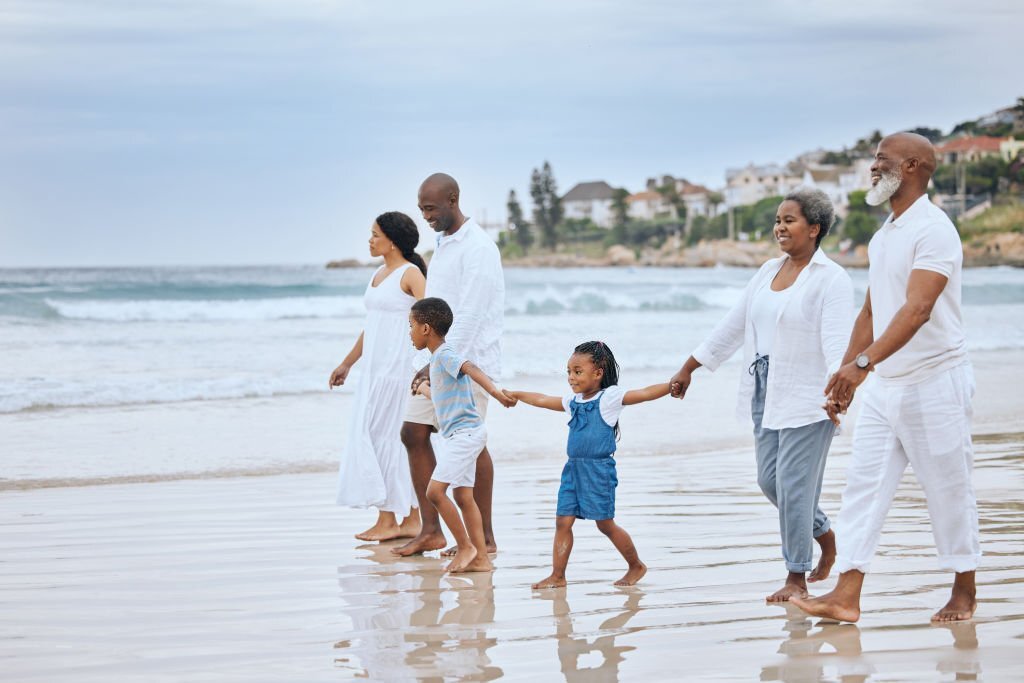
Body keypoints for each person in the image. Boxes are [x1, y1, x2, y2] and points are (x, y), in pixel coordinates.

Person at [792, 133, 979, 623]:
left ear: (913, 165)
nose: (873, 167)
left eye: (882, 159)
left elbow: (917, 310)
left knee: (948, 489)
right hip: (887, 384)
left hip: (936, 378)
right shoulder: (884, 234)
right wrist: (845, 372)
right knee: (862, 487)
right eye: (875, 159)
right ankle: (846, 595)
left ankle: (964, 591)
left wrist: (861, 366)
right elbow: (874, 310)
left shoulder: (934, 229)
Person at [669, 188, 854, 602]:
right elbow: (732, 326)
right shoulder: (768, 270)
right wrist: (690, 367)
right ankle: (823, 534)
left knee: (793, 485)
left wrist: (837, 391)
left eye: (790, 220)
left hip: (810, 393)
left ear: (815, 229)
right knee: (770, 481)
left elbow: (837, 341)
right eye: (778, 220)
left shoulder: (832, 279)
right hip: (764, 388)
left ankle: (796, 577)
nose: (780, 227)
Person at [394, 173, 505, 558]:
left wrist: (439, 361)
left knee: (470, 443)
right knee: (413, 432)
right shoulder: (442, 244)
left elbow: (471, 313)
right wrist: (423, 359)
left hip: (470, 360)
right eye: (421, 208)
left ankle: (485, 538)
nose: (425, 216)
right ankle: (432, 531)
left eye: (431, 208)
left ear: (453, 200)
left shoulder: (479, 247)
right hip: (439, 360)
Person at [503, 341, 668, 587]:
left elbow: (643, 394)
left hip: (598, 471)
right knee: (563, 521)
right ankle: (558, 576)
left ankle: (636, 565)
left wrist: (672, 385)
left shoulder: (609, 398)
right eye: (568, 371)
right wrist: (518, 394)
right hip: (572, 470)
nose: (571, 377)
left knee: (605, 525)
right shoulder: (573, 402)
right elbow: (543, 399)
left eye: (577, 372)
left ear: (598, 373)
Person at [331, 212, 426, 541]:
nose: (370, 240)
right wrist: (347, 363)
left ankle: (399, 519)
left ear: (393, 239)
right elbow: (373, 326)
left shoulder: (411, 274)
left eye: (375, 235)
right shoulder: (377, 274)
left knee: (387, 437)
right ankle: (398, 517)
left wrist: (426, 365)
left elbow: (432, 318)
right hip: (374, 369)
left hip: (398, 369)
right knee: (375, 435)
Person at [407, 297, 513, 573]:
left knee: (435, 492)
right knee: (463, 496)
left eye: (412, 326)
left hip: (466, 435)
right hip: (462, 435)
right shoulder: (438, 360)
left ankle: (465, 546)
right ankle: (480, 559)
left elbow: (471, 368)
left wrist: (496, 393)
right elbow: (442, 397)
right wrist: (423, 389)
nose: (410, 332)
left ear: (426, 328)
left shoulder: (444, 355)